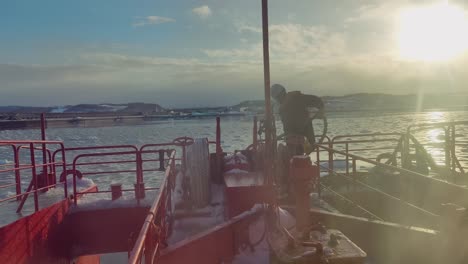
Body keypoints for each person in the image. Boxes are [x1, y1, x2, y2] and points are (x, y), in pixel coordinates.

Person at [271, 83, 324, 155]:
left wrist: (321, 110)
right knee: (294, 158)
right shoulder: (283, 107)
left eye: (277, 97)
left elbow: (316, 100)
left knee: (298, 159)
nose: (278, 100)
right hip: (292, 139)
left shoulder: (297, 98)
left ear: (281, 94)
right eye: (276, 98)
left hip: (303, 138)